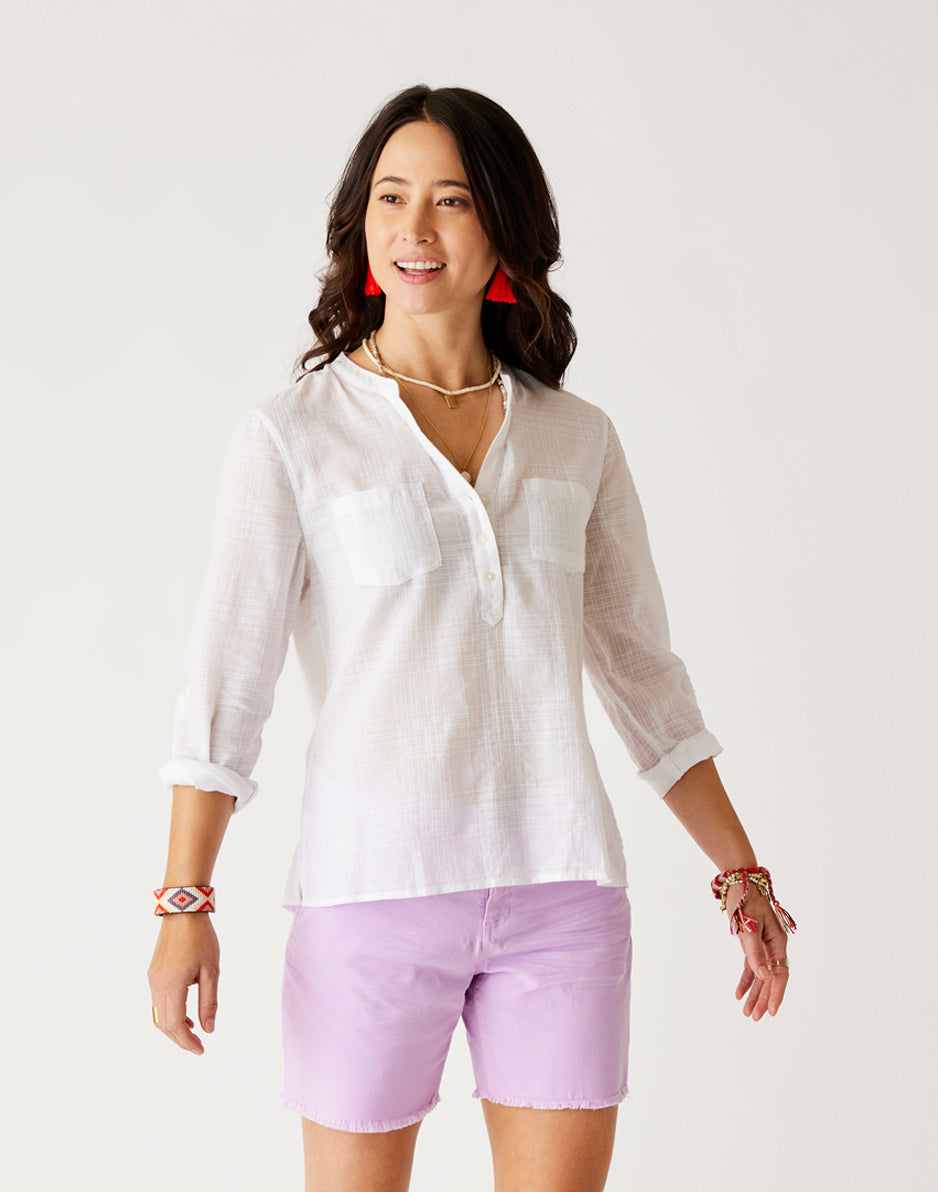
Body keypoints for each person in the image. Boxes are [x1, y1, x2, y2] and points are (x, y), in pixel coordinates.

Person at [147, 84, 795, 1192]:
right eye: (390, 197)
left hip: (562, 895)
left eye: (450, 199)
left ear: (501, 226)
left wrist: (739, 871)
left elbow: (644, 678)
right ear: (359, 225)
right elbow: (226, 687)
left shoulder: (577, 438)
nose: (415, 227)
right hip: (369, 891)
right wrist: (183, 904)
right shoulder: (295, 437)